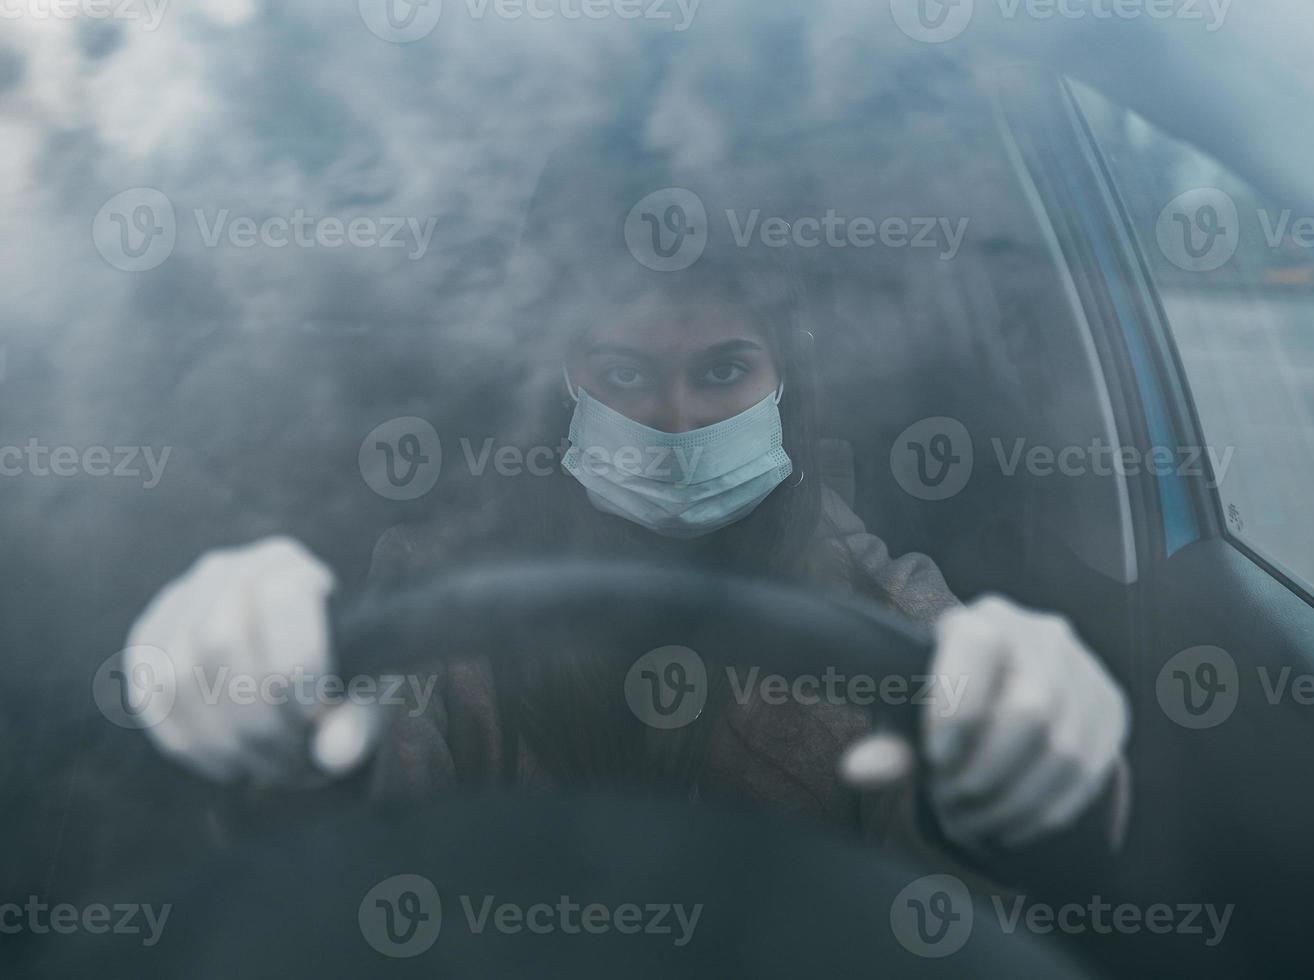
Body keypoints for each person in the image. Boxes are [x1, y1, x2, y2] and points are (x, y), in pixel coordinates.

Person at [122, 144, 1130, 857]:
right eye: (626, 371)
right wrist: (269, 693)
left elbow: (1001, 785)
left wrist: (1037, 740)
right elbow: (362, 782)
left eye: (725, 367)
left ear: (786, 381)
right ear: (566, 378)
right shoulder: (441, 586)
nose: (681, 416)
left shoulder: (877, 599)